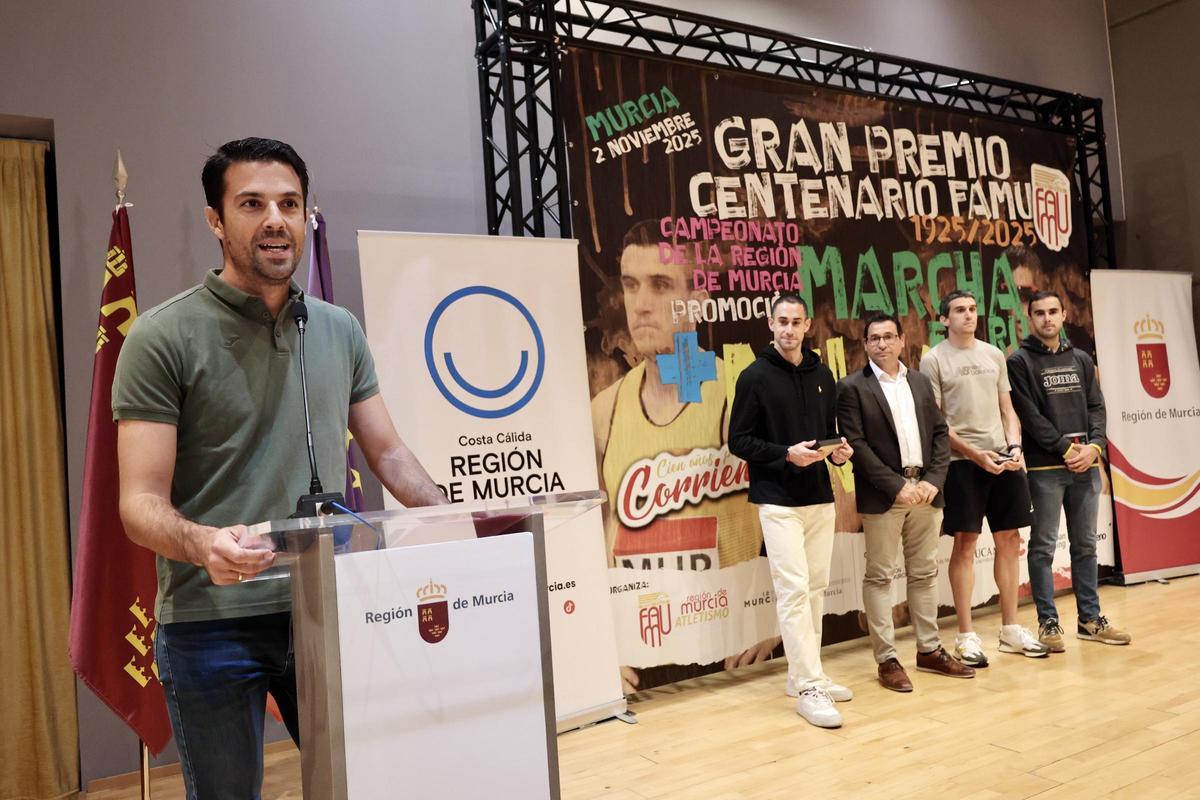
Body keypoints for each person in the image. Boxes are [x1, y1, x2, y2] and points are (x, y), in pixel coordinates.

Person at [113, 138, 446, 799]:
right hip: (211, 622)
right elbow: (138, 502)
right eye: (252, 203)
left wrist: (449, 520)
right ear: (216, 220)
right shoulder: (161, 336)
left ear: (306, 215)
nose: (275, 219)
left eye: (289, 203)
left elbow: (388, 452)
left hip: (325, 606)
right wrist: (205, 542)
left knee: (365, 785)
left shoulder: (337, 329)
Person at [591, 221, 777, 690]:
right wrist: (601, 640)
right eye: (631, 285)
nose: (641, 304)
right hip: (645, 653)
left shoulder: (741, 390)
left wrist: (776, 613)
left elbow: (816, 506)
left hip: (731, 648)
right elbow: (590, 540)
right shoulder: (605, 412)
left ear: (697, 301)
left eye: (660, 285)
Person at [728, 293, 855, 729]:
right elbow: (739, 441)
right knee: (794, 589)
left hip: (820, 496)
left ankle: (806, 674)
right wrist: (785, 453)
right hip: (777, 500)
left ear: (807, 326)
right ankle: (807, 686)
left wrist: (837, 453)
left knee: (816, 586)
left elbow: (828, 434)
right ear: (770, 323)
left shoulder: (822, 373)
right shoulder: (754, 376)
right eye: (781, 321)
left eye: (795, 322)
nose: (788, 329)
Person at [837, 312, 976, 691]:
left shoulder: (918, 381)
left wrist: (933, 480)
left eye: (888, 336)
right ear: (865, 344)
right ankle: (887, 660)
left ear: (902, 341)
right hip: (885, 496)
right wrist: (897, 486)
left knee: (923, 573)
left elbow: (940, 434)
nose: (882, 343)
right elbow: (857, 446)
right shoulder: (852, 387)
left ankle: (929, 650)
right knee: (880, 576)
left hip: (927, 493)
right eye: (874, 338)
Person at [920, 290, 1049, 664]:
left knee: (1010, 540)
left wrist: (1014, 447)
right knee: (965, 544)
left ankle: (1010, 629)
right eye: (959, 310)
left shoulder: (993, 354)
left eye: (973, 309)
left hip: (1003, 461)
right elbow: (938, 424)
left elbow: (1008, 409)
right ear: (944, 319)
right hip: (962, 465)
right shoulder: (934, 360)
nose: (968, 315)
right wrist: (976, 455)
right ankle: (966, 635)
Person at [1007, 290, 1131, 648]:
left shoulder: (1079, 358)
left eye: (1053, 312)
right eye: (1040, 313)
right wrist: (1066, 448)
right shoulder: (1019, 362)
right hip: (1046, 468)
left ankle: (1090, 620)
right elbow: (1030, 417)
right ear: (1030, 319)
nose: (1047, 319)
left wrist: (1094, 448)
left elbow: (1097, 407)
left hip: (1085, 466)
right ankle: (1048, 623)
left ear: (1063, 316)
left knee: (1086, 546)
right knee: (1043, 547)